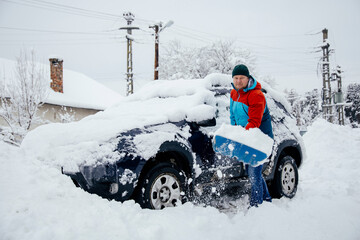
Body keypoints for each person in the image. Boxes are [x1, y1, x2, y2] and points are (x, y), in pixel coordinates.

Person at [230, 64, 273, 207]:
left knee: (254, 172)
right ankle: (266, 199)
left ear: (248, 78)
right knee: (252, 171)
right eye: (236, 78)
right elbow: (233, 116)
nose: (238, 81)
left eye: (241, 78)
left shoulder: (256, 95)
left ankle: (257, 206)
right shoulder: (234, 93)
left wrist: (241, 137)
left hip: (260, 138)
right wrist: (233, 133)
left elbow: (254, 122)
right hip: (246, 138)